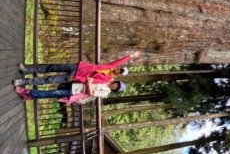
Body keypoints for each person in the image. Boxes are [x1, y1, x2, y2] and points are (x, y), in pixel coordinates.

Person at [13, 50, 141, 87]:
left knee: (50, 80)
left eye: (121, 72)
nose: (119, 70)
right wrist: (132, 56)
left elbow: (90, 81)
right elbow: (120, 60)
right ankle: (27, 70)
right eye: (121, 69)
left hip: (74, 76)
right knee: (52, 67)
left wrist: (75, 78)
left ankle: (24, 82)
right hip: (78, 66)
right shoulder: (111, 67)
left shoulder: (106, 79)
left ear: (119, 75)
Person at [14, 79, 126, 103]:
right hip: (75, 84)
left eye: (117, 88)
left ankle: (27, 91)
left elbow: (92, 93)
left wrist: (89, 83)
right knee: (52, 93)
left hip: (75, 92)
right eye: (117, 84)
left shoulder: (106, 93)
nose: (115, 86)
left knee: (51, 93)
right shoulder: (106, 79)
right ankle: (30, 97)